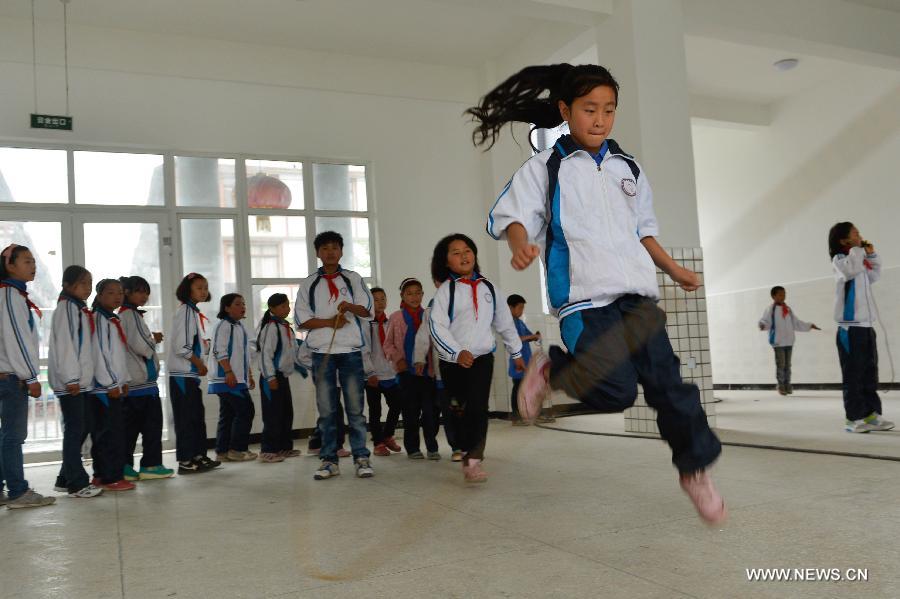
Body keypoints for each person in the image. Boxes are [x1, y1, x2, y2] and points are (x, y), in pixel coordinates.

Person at [475, 63, 725, 524]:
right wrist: (519, 243)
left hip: (638, 298)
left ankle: (694, 469)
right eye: (590, 109)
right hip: (585, 300)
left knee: (672, 389)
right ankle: (553, 367)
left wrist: (675, 271)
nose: (600, 120)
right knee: (614, 392)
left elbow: (644, 232)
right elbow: (509, 216)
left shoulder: (626, 167)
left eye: (609, 110)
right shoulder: (545, 167)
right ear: (565, 110)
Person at [429, 234, 524, 482]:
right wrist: (456, 352)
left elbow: (505, 323)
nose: (464, 255)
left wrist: (516, 352)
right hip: (452, 362)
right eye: (456, 252)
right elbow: (437, 327)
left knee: (479, 407)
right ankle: (462, 445)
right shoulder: (445, 292)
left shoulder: (489, 288)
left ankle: (474, 459)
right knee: (459, 409)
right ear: (446, 261)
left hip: (482, 359)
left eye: (467, 250)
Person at [295, 231, 375, 480]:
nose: (330, 252)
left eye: (335, 248)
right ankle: (329, 460)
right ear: (317, 253)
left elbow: (368, 310)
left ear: (341, 251)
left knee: (355, 409)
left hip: (351, 352)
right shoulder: (309, 283)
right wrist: (329, 322)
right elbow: (301, 320)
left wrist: (349, 307)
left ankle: (361, 456)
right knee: (327, 411)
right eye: (325, 248)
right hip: (322, 353)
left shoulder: (353, 278)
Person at [0, 244, 56, 508]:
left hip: (7, 374)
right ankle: (18, 492)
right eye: (26, 261)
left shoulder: (10, 294)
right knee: (13, 437)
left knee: (5, 436)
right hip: (12, 378)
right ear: (9, 266)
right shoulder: (11, 295)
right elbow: (18, 340)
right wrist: (30, 376)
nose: (32, 265)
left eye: (33, 261)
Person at [828, 222, 894, 433]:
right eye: (855, 233)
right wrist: (858, 249)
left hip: (866, 326)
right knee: (853, 375)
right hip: (850, 328)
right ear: (843, 240)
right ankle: (853, 418)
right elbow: (850, 270)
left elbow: (873, 276)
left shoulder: (858, 258)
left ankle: (871, 414)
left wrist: (872, 256)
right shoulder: (840, 260)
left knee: (869, 373)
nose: (860, 236)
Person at [49, 266, 103, 498]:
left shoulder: (79, 309)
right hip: (71, 383)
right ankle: (77, 483)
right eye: (83, 283)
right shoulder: (67, 309)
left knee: (83, 427)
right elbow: (66, 346)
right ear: (67, 285)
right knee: (75, 430)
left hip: (81, 382)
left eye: (90, 283)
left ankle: (64, 477)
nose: (88, 288)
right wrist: (71, 377)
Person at [119, 275, 173, 480]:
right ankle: (145, 465)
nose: (144, 296)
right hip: (138, 386)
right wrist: (154, 339)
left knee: (142, 429)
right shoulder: (129, 316)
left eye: (146, 292)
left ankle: (141, 465)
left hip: (143, 385)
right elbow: (141, 346)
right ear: (128, 293)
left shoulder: (132, 315)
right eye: (139, 291)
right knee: (142, 429)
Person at [167, 273, 220, 474]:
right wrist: (199, 363)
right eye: (199, 287)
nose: (204, 291)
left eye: (205, 287)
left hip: (190, 376)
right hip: (182, 375)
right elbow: (182, 346)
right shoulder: (186, 312)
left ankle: (199, 455)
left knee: (197, 417)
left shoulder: (192, 312)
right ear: (187, 290)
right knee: (186, 420)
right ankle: (185, 461)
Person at [384, 278, 440, 460]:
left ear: (423, 295)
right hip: (406, 373)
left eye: (418, 293)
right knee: (410, 412)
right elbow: (388, 345)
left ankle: (432, 447)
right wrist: (397, 359)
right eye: (409, 293)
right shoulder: (396, 317)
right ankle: (413, 447)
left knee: (430, 411)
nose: (414, 297)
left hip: (427, 372)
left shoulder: (430, 315)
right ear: (402, 296)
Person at [89, 279, 135, 492]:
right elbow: (101, 354)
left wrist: (123, 380)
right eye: (110, 293)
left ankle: (100, 475)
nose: (117, 297)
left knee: (107, 433)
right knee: (110, 435)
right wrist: (110, 383)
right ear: (99, 296)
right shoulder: (100, 319)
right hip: (104, 388)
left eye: (119, 293)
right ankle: (111, 477)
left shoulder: (112, 319)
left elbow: (118, 356)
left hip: (113, 385)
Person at [415, 279, 462, 461]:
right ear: (436, 283)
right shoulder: (432, 308)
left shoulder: (466, 303)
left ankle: (468, 444)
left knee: (465, 409)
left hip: (466, 368)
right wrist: (419, 358)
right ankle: (456, 447)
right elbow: (423, 335)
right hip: (444, 371)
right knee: (449, 410)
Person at [208, 293, 257, 462]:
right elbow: (218, 350)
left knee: (228, 414)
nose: (242, 307)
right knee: (246, 410)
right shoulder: (224, 326)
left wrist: (248, 375)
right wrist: (228, 372)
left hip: (238, 379)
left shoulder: (240, 327)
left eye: (243, 303)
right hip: (226, 379)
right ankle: (237, 449)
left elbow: (244, 354)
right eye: (237, 304)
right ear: (226, 308)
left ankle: (222, 451)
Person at [256, 293, 304, 463]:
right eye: (282, 306)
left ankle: (284, 447)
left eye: (287, 305)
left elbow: (293, 354)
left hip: (283, 376)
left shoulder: (286, 328)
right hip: (271, 378)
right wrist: (270, 377)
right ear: (272, 308)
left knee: (285, 413)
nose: (287, 309)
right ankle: (268, 450)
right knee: (272, 414)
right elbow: (265, 355)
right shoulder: (270, 327)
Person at [362, 287, 403, 457]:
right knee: (375, 410)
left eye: (383, 299)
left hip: (390, 373)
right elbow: (363, 350)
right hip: (373, 374)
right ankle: (378, 443)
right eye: (376, 299)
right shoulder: (365, 324)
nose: (380, 302)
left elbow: (396, 345)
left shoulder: (390, 322)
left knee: (396, 405)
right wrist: (369, 372)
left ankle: (387, 435)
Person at [757, 286, 819, 395]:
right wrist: (762, 325)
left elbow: (796, 322)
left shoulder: (788, 309)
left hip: (789, 341)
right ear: (773, 296)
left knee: (788, 365)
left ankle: (787, 385)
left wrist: (809, 325)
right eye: (780, 294)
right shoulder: (770, 309)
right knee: (781, 365)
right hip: (778, 341)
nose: (783, 296)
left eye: (784, 294)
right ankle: (781, 386)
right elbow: (766, 321)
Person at [505, 294, 546, 424]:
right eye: (520, 307)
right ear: (510, 308)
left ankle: (532, 414)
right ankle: (516, 417)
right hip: (517, 363)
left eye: (523, 308)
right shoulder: (508, 323)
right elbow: (514, 340)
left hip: (527, 361)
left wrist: (536, 336)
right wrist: (531, 337)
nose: (522, 311)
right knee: (518, 389)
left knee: (529, 389)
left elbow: (529, 335)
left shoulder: (520, 322)